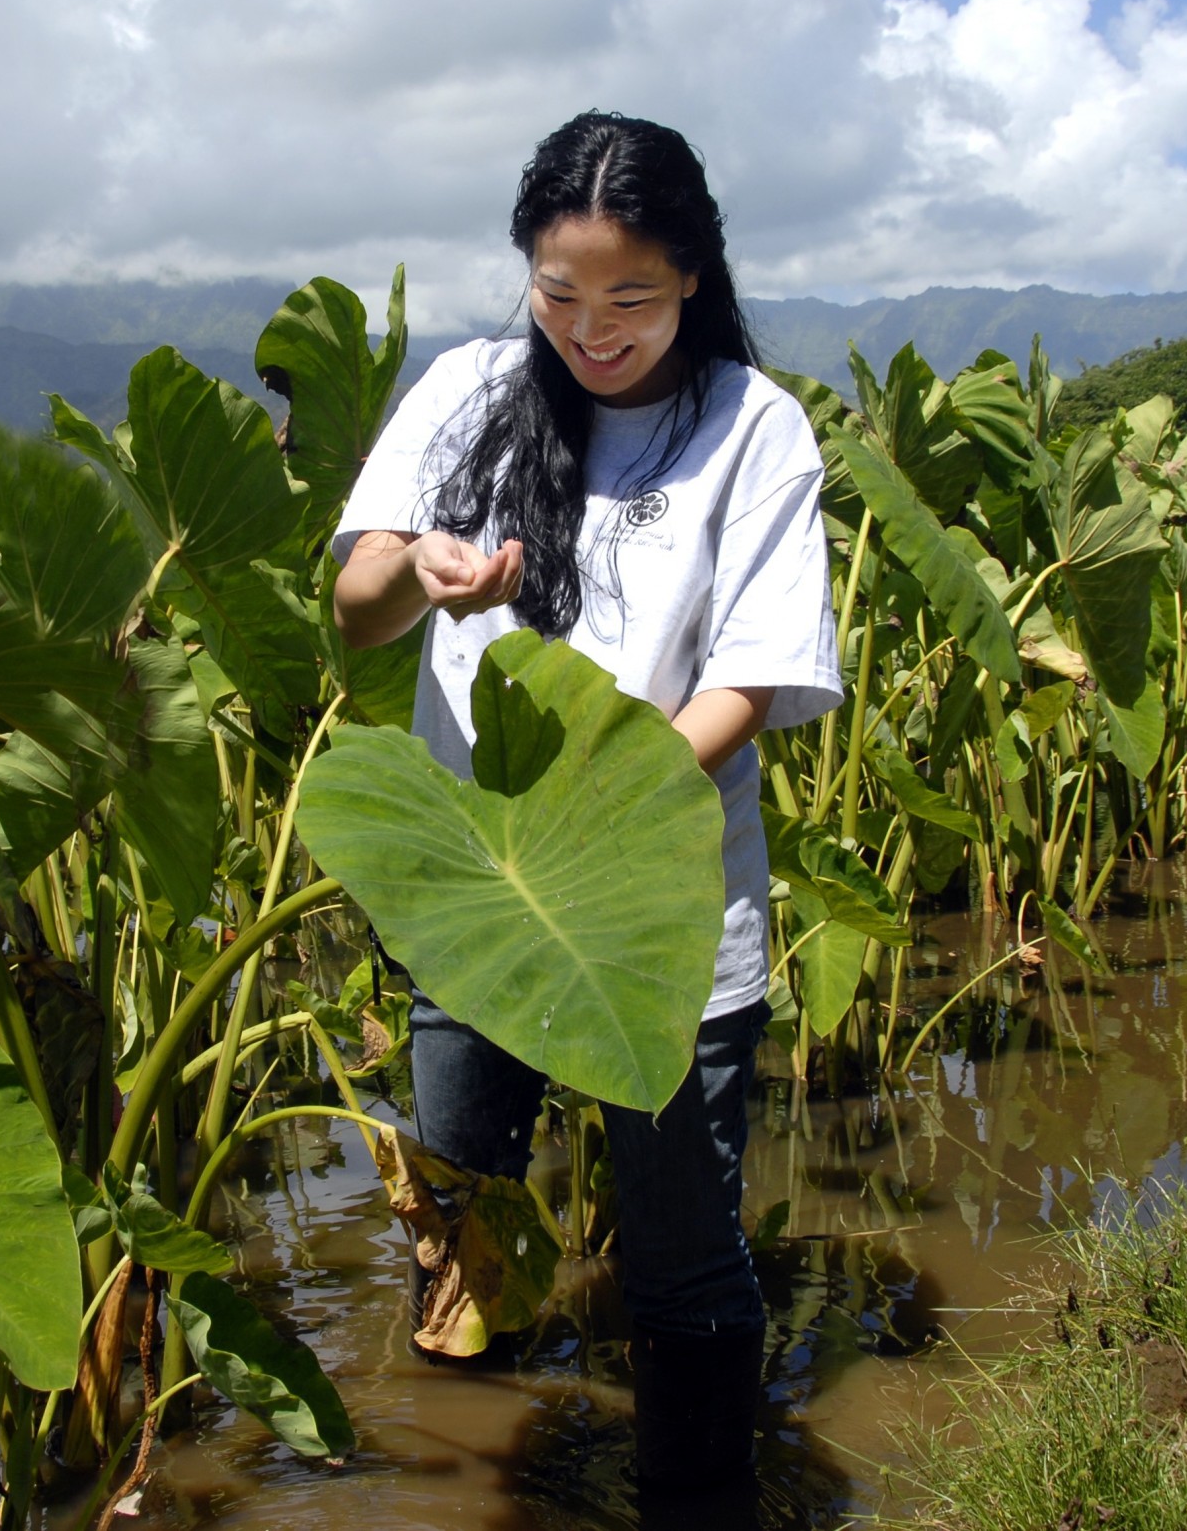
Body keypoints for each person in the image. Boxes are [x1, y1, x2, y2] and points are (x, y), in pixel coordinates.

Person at [329, 111, 843, 1495]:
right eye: (560, 295)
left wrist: (605, 812)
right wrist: (418, 564)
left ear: (692, 275)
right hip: (481, 884)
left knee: (681, 1258)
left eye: (631, 297)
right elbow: (355, 607)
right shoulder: (467, 390)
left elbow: (748, 681)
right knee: (460, 1214)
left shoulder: (752, 426)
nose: (592, 329)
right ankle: (470, 1471)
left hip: (660, 899)